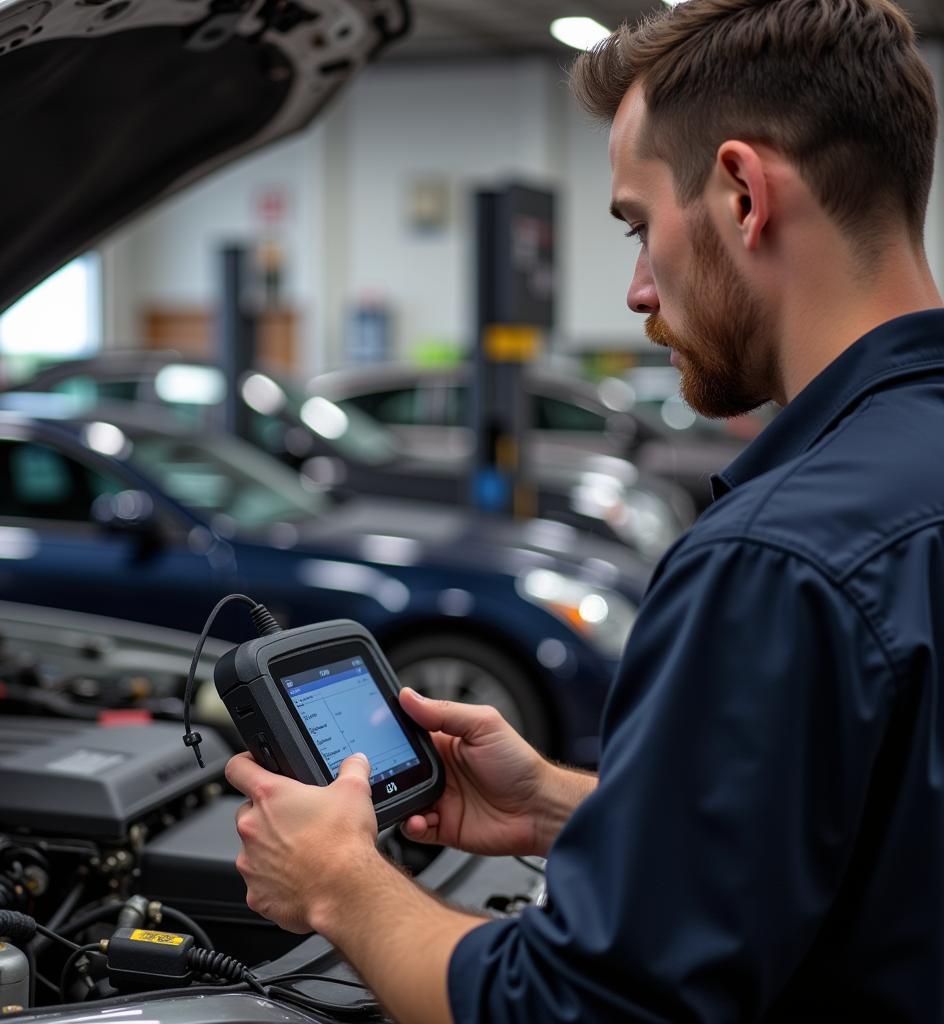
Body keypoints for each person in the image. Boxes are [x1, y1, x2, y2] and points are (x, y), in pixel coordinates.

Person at [225, 0, 944, 1019]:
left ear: (742, 193)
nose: (638, 290)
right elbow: (888, 848)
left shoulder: (780, 558)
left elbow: (578, 1007)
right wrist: (565, 805)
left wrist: (342, 881)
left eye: (640, 226)